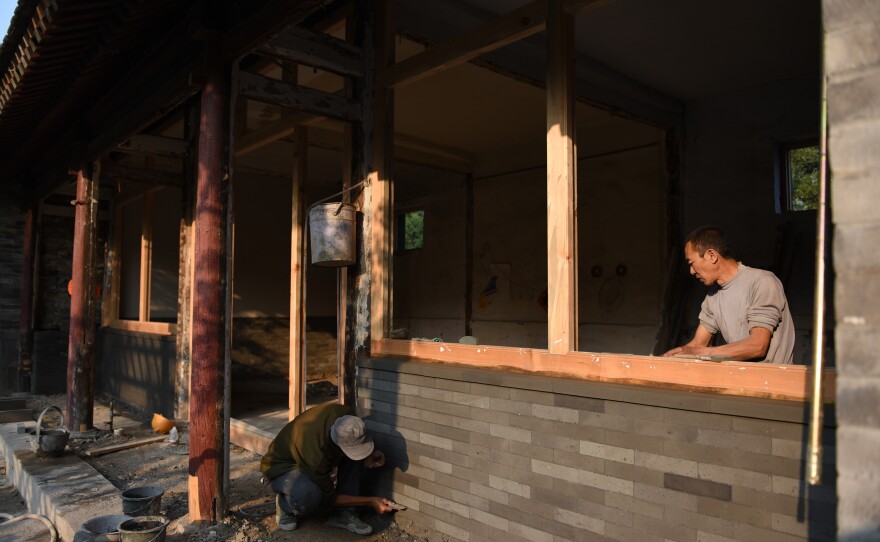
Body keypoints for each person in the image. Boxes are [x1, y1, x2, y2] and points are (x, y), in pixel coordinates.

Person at [663, 226, 795, 364]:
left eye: (692, 263)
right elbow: (697, 345)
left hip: (773, 381)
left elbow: (757, 346)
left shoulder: (762, 282)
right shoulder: (712, 296)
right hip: (738, 380)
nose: (691, 271)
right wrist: (670, 358)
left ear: (712, 256)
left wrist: (700, 353)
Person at [260, 403, 395, 534]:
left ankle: (344, 513)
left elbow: (354, 441)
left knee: (355, 457)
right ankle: (286, 505)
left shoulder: (348, 417)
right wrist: (370, 501)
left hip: (308, 458)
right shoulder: (315, 453)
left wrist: (367, 454)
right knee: (310, 495)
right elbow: (328, 498)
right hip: (282, 468)